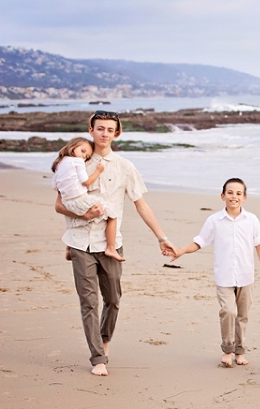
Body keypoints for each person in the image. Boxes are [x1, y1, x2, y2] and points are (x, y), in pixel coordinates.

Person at [55, 111, 175, 377]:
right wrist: (82, 215)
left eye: (110, 129)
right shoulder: (75, 162)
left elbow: (141, 205)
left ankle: (104, 340)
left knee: (113, 299)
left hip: (110, 243)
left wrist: (161, 237)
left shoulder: (124, 166)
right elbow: (59, 205)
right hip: (79, 242)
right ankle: (98, 357)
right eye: (100, 128)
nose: (105, 133)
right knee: (89, 303)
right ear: (91, 130)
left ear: (117, 133)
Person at [170, 178, 260, 368]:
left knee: (242, 315)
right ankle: (228, 350)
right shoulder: (214, 221)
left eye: (238, 193)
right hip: (224, 276)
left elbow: (259, 246)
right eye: (230, 192)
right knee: (228, 311)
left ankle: (239, 351)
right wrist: (181, 250)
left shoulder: (252, 220)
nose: (234, 196)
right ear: (222, 196)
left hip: (246, 277)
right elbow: (200, 241)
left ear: (244, 197)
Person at [51, 137, 123, 263]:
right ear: (73, 147)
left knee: (79, 220)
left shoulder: (59, 164)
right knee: (112, 213)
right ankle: (111, 248)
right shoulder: (77, 162)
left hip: (67, 202)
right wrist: (99, 171)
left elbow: (55, 185)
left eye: (86, 156)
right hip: (80, 199)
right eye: (83, 151)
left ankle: (69, 248)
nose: (83, 156)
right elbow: (86, 182)